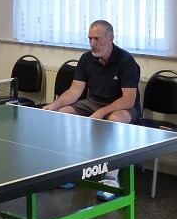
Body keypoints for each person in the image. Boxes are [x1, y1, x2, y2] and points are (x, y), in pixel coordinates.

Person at [44, 20, 141, 199]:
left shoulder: (126, 61)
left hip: (123, 106)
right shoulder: (86, 59)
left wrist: (101, 113)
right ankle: (69, 172)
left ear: (110, 38)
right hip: (94, 102)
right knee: (64, 114)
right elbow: (75, 91)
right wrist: (55, 105)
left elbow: (129, 99)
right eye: (90, 38)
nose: (92, 43)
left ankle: (111, 178)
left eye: (97, 39)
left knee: (115, 120)